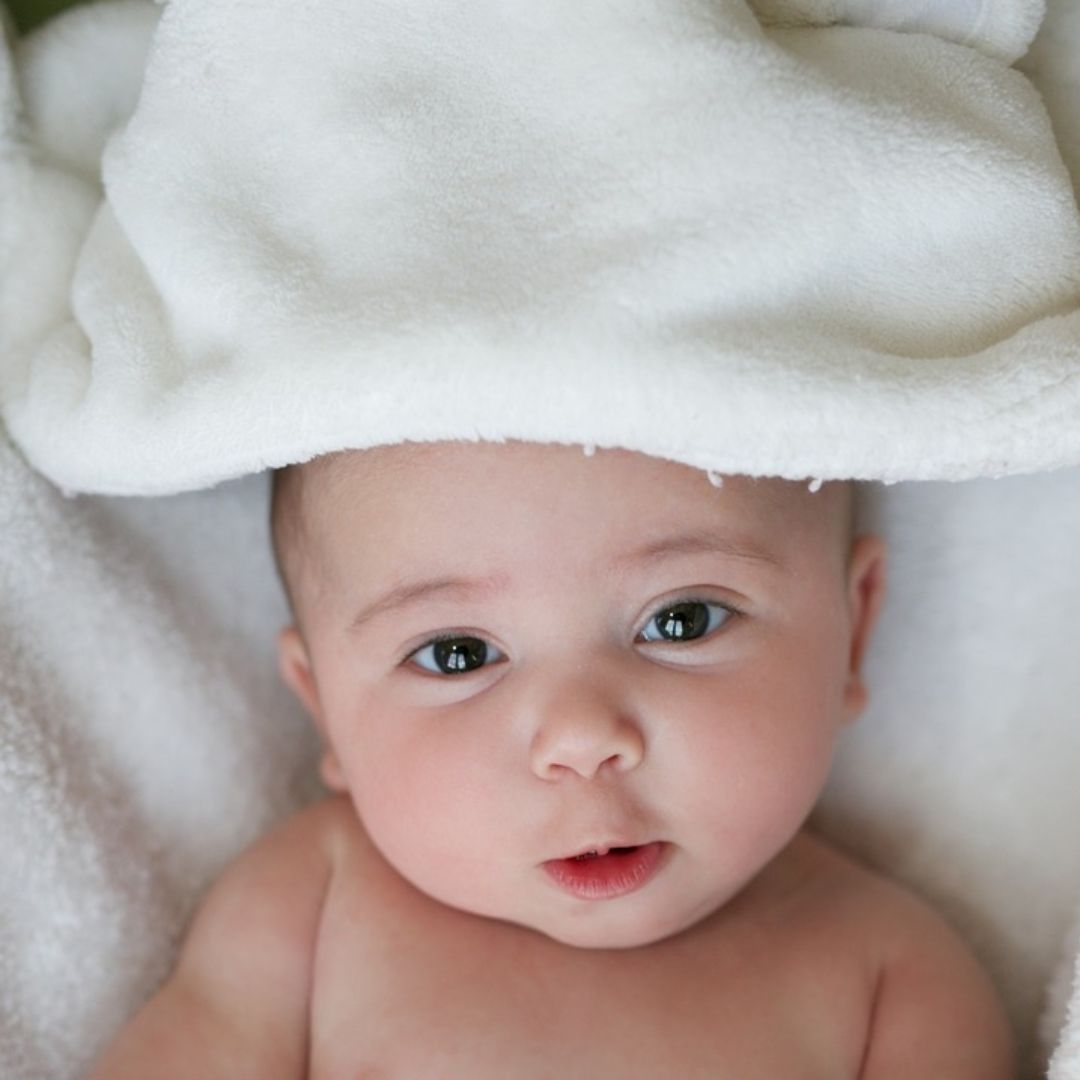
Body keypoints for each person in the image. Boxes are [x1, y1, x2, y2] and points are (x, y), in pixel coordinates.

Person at [87, 439, 1014, 1078]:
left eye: (681, 620)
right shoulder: (312, 904)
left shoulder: (892, 976)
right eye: (457, 654)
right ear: (325, 707)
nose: (580, 738)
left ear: (851, 632)